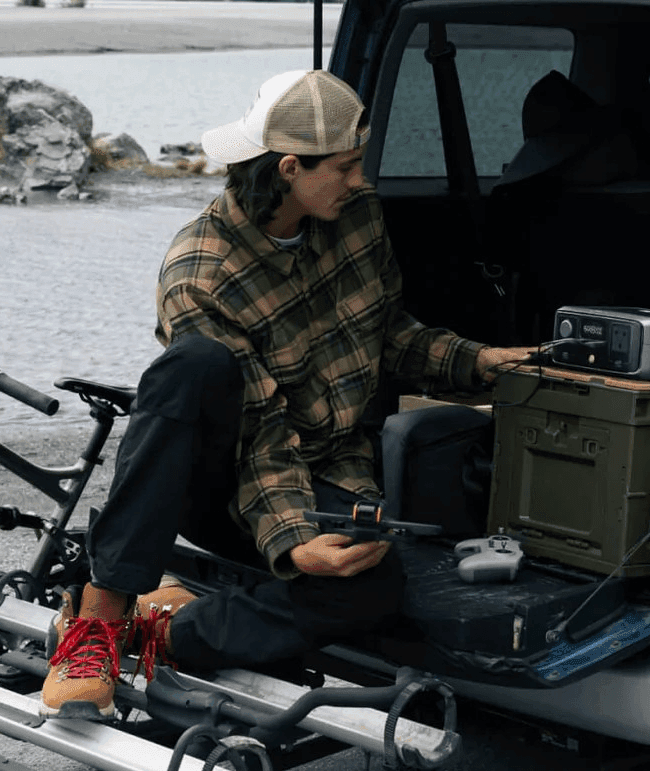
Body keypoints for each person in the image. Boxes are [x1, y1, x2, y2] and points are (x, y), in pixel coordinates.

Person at [40, 69, 529, 721]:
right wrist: (295, 541)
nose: (360, 180)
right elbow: (261, 435)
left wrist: (478, 363)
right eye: (348, 165)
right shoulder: (201, 273)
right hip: (228, 476)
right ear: (291, 167)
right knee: (192, 365)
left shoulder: (355, 217)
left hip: (331, 467)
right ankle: (97, 622)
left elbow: (386, 335)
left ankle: (161, 632)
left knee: (370, 587)